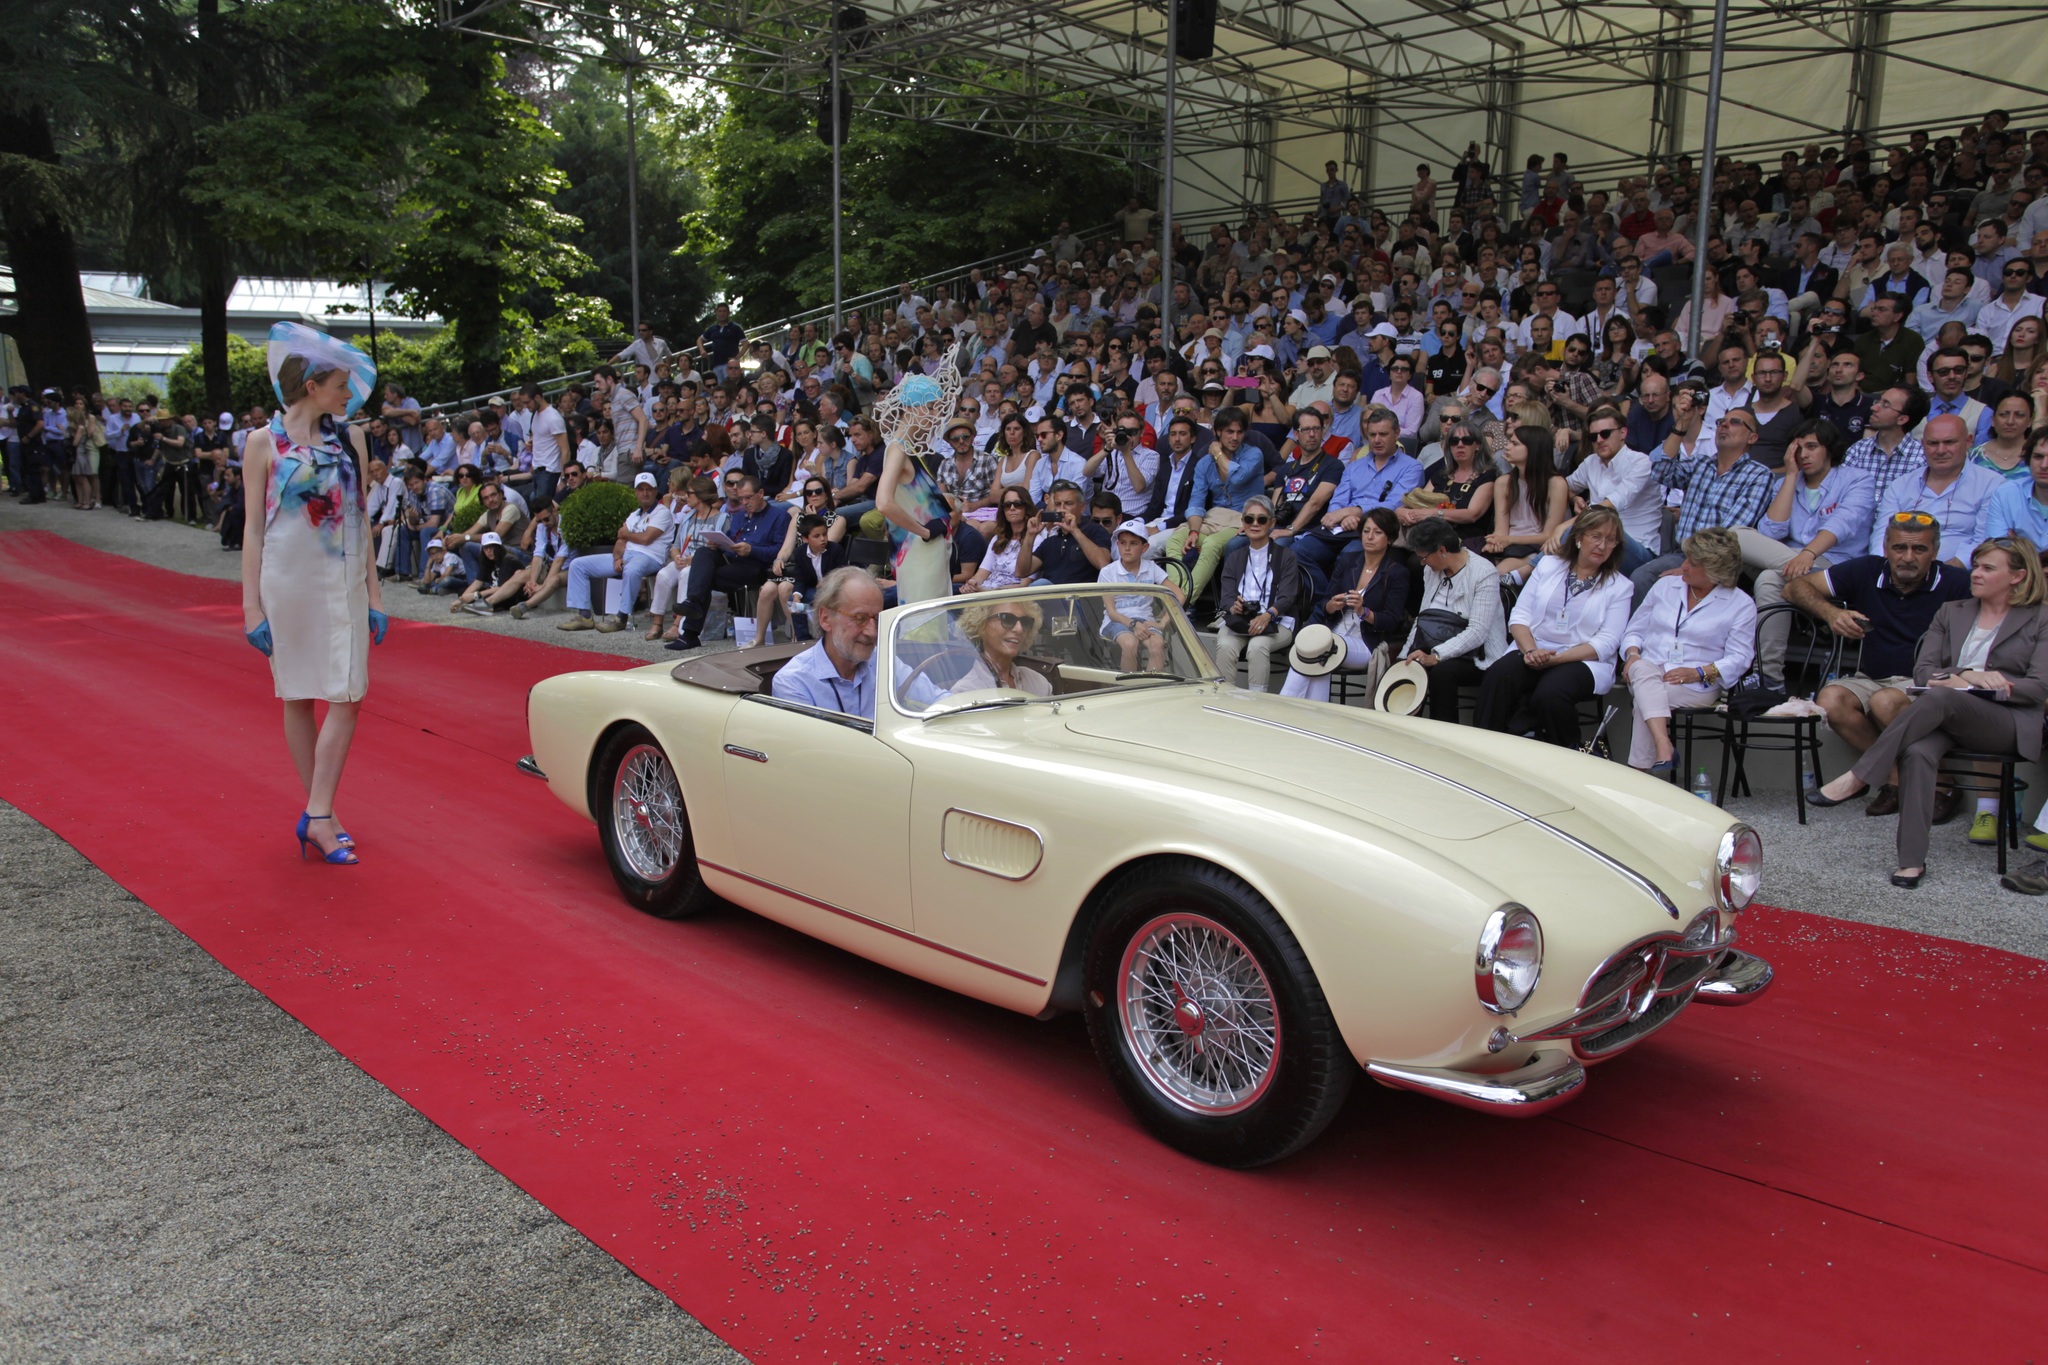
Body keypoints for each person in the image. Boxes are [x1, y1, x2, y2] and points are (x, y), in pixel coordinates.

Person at [1808, 537, 2048, 887]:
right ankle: (1910, 862)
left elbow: (2039, 687)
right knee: (1918, 751)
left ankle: (1860, 775)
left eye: (1987, 568)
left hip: (2006, 720)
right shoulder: (1952, 611)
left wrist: (1987, 686)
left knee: (1939, 699)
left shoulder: (2040, 617)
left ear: (2017, 576)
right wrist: (1965, 675)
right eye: (1976, 565)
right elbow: (1924, 673)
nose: (1975, 573)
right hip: (1951, 716)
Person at [240, 321, 385, 867]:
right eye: (342, 385)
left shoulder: (351, 437)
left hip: (342, 581)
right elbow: (254, 528)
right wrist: (251, 605)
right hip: (287, 583)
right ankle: (323, 813)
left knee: (347, 695)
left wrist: (374, 592)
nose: (350, 395)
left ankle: (317, 813)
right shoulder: (261, 443)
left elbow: (360, 518)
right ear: (312, 386)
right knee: (298, 695)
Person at [1783, 513, 1974, 819]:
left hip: (1927, 680)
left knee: (1884, 702)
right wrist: (1831, 614)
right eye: (1899, 548)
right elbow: (1795, 588)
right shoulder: (1868, 569)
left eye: (1919, 550)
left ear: (1935, 552)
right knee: (1830, 700)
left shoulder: (1956, 582)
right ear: (1885, 547)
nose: (1908, 557)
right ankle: (1895, 778)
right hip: (1871, 676)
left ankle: (1941, 783)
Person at [1476, 505, 1633, 748]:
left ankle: (1566, 753)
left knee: (1551, 692)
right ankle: (1483, 748)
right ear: (1579, 537)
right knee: (1499, 675)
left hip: (1583, 659)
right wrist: (1530, 652)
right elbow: (1520, 616)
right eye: (1596, 536)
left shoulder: (1620, 586)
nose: (1602, 545)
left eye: (1610, 540)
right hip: (1534, 649)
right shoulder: (1548, 566)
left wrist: (1556, 659)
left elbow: (1607, 642)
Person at [1742, 419, 1873, 695]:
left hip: (1833, 563)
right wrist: (1790, 476)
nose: (1803, 455)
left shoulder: (1856, 478)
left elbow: (1843, 524)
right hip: (1790, 559)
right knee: (1735, 535)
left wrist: (1809, 554)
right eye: (1798, 448)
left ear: (1829, 449)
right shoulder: (1790, 481)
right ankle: (1771, 684)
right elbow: (1771, 531)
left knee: (1768, 578)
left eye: (1811, 447)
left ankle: (1768, 679)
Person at [1619, 528, 1757, 774]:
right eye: (1686, 559)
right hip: (1647, 668)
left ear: (1715, 571)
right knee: (1642, 671)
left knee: (1646, 700)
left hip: (1697, 683)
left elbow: (1740, 657)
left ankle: (1641, 771)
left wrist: (1700, 672)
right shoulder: (1665, 586)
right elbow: (1634, 631)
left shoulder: (1740, 604)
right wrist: (1633, 654)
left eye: (1692, 564)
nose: (1683, 567)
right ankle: (1663, 748)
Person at [1280, 507, 1410, 704]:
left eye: (1377, 532)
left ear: (1390, 538)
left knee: (1321, 648)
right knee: (1319, 651)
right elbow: (1325, 602)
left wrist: (1364, 611)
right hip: (1335, 634)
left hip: (1367, 642)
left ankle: (1285, 705)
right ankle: (1315, 716)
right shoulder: (1348, 561)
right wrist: (1331, 605)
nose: (1370, 537)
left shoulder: (1397, 573)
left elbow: (1392, 621)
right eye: (1366, 531)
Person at [1398, 517, 1511, 723]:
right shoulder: (1430, 571)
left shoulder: (1484, 572)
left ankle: (1442, 735)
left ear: (1442, 550)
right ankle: (1405, 732)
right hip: (1435, 641)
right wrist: (1404, 656)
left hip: (1478, 654)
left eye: (1424, 557)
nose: (1422, 563)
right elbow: (1423, 618)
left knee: (1441, 672)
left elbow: (1477, 631)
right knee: (1402, 669)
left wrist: (1437, 655)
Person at [870, 364, 960, 605]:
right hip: (920, 553)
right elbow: (884, 503)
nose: (935, 415)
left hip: (928, 552)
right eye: (930, 407)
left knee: (931, 625)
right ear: (911, 408)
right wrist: (924, 531)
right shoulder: (898, 448)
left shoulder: (907, 448)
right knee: (924, 629)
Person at [673, 472, 791, 650]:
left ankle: (690, 630)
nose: (744, 503)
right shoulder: (740, 516)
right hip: (733, 559)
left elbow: (779, 551)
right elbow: (730, 539)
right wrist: (718, 544)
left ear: (760, 493)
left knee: (704, 578)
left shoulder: (778, 517)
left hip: (757, 565)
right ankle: (693, 604)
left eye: (748, 498)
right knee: (704, 552)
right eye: (741, 499)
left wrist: (752, 549)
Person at [1868, 413, 2003, 565]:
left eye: (1949, 442)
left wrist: (1947, 572)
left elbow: (1985, 540)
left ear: (1968, 441)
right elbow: (1882, 534)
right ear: (1922, 444)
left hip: (1960, 576)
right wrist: (1882, 565)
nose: (1940, 450)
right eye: (1933, 443)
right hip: (1901, 569)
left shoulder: (1991, 484)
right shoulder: (1901, 485)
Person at [558, 472, 675, 633]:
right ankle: (584, 616)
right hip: (627, 556)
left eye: (649, 489)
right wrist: (617, 557)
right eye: (641, 489)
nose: (645, 493)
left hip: (651, 557)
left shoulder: (662, 512)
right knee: (578, 564)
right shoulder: (634, 515)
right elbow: (620, 541)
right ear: (636, 492)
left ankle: (621, 617)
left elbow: (646, 538)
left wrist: (626, 534)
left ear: (655, 491)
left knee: (632, 568)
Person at [770, 568, 888, 718]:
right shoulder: (794, 682)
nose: (872, 632)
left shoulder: (887, 663)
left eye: (877, 619)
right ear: (825, 619)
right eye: (860, 618)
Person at [1212, 496, 1301, 692]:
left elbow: (1287, 596)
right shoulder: (1235, 557)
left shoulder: (1286, 556)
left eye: (1261, 519)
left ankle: (1257, 703)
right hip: (1240, 620)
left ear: (1272, 523)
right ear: (1242, 522)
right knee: (1225, 645)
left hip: (1277, 621)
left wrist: (1268, 614)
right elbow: (1227, 595)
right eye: (1249, 519)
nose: (1254, 524)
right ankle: (1224, 700)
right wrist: (1232, 607)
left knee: (1257, 646)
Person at [1484, 423, 1569, 583]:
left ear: (1533, 449)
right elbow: (1501, 529)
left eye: (1514, 443)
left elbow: (1548, 535)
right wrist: (1496, 542)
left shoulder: (1556, 483)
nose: (1507, 447)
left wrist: (1509, 540)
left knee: (1496, 574)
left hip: (1536, 547)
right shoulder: (1503, 482)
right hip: (1508, 544)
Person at [1100, 520, 1178, 671]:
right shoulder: (1108, 571)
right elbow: (1111, 612)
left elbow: (1178, 594)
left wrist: (1163, 622)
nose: (1127, 548)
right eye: (1122, 543)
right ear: (1117, 544)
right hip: (1116, 621)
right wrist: (1133, 624)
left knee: (1157, 644)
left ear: (1145, 547)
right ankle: (1129, 689)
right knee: (1130, 643)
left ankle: (1150, 690)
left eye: (1134, 543)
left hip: (1145, 620)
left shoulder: (1151, 568)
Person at [951, 597, 1055, 696]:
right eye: (1007, 619)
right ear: (980, 625)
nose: (1019, 629)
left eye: (1025, 622)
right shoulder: (965, 692)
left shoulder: (1037, 682)